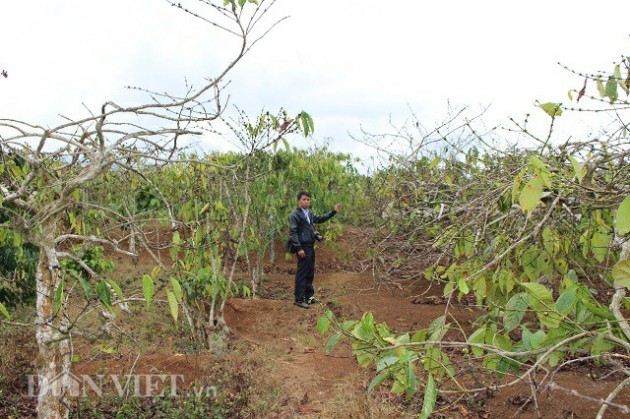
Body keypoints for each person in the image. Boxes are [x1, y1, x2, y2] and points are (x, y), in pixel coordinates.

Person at [288, 191, 341, 309]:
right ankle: (299, 299)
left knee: (310, 272)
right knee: (302, 273)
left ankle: (309, 297)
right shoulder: (294, 215)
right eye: (304, 199)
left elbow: (321, 219)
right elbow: (293, 232)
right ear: (298, 201)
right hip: (302, 247)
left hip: (310, 246)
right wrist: (299, 248)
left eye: (308, 199)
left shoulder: (309, 214)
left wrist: (334, 212)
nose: (306, 201)